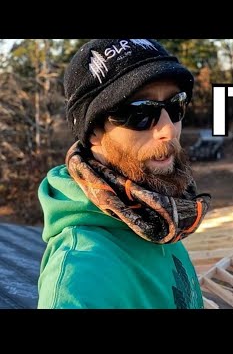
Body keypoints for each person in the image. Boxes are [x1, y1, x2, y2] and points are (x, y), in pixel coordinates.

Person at [37, 39, 211, 309]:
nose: (169, 129)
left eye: (176, 106)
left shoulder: (158, 217)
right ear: (93, 131)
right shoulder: (83, 279)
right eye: (141, 113)